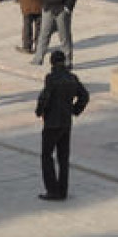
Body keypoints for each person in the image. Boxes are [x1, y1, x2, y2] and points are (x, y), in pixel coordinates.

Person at [36, 50, 89, 200]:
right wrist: (74, 109)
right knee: (63, 158)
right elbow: (84, 96)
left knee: (47, 155)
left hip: (52, 122)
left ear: (52, 63)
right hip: (66, 122)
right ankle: (63, 189)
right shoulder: (72, 78)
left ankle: (52, 190)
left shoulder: (51, 78)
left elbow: (45, 97)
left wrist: (39, 111)